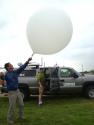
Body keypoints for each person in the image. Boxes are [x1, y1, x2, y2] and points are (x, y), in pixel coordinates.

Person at [4, 57, 32, 124]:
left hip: (17, 91)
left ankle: (21, 116)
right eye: (11, 65)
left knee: (21, 104)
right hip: (11, 92)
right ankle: (9, 119)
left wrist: (27, 61)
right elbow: (3, 80)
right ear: (8, 67)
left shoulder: (15, 72)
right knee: (12, 106)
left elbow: (22, 67)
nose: (12, 65)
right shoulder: (6, 75)